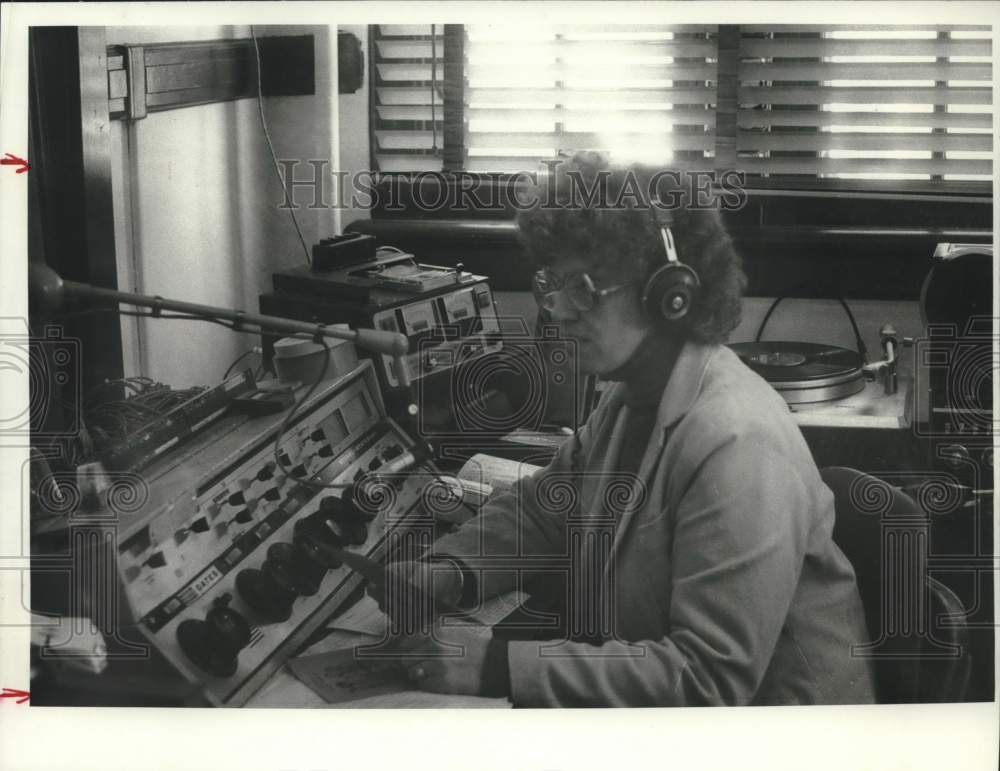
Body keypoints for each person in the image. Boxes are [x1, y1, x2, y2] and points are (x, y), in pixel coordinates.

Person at [378, 152, 876, 707]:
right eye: (553, 284)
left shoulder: (738, 443)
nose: (559, 311)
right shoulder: (632, 393)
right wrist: (453, 570)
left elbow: (708, 679)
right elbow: (549, 506)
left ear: (669, 293)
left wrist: (495, 666)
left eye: (585, 289)